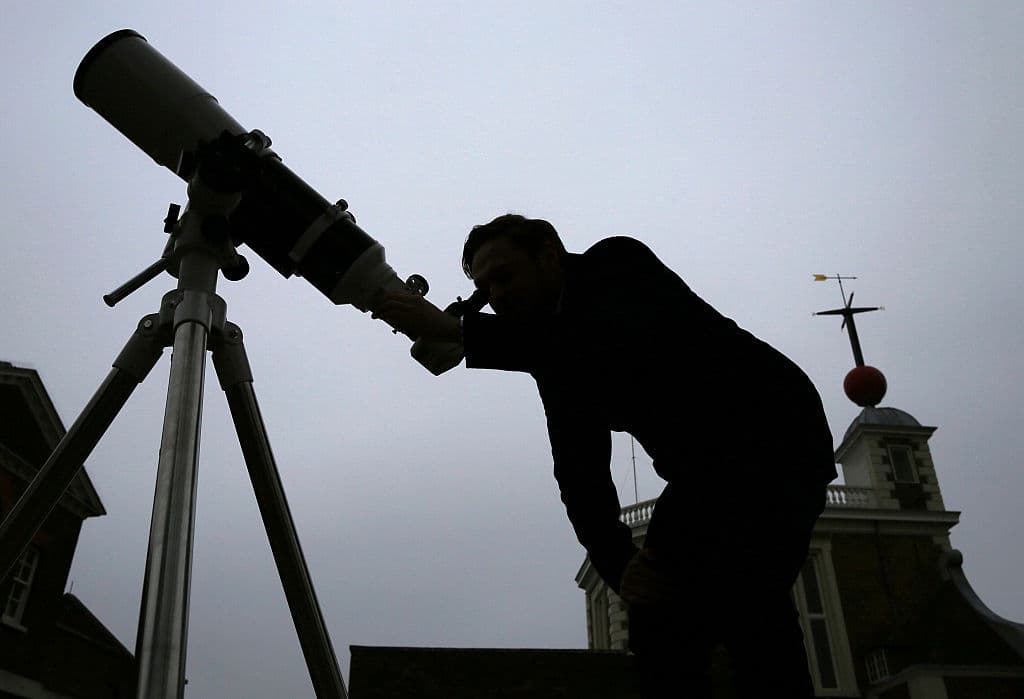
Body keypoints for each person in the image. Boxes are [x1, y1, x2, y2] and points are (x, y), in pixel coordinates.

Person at [373, 214, 837, 697]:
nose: (496, 295)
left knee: (745, 608)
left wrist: (459, 329)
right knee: (676, 616)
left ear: (550, 255)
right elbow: (580, 473)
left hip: (775, 439)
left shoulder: (618, 264)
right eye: (485, 288)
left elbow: (598, 338)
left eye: (504, 276)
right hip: (708, 476)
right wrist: (620, 567)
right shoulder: (550, 358)